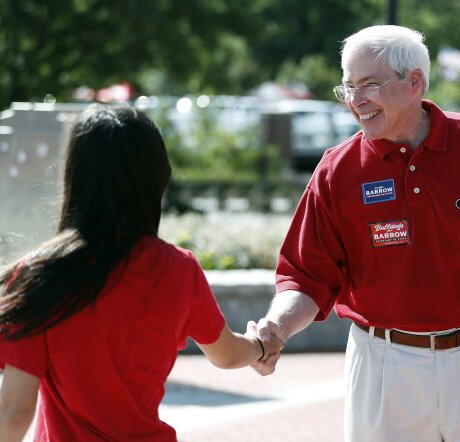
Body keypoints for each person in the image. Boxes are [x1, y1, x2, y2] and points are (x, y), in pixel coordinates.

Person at [248, 25, 460, 441]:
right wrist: (276, 326)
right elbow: (307, 277)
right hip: (382, 369)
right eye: (347, 88)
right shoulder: (336, 171)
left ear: (414, 82)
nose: (356, 101)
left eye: (369, 85)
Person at [0, 105, 283, 441]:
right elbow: (228, 354)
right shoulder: (178, 269)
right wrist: (261, 347)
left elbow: (15, 411)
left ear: (75, 176)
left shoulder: (39, 276)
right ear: (157, 178)